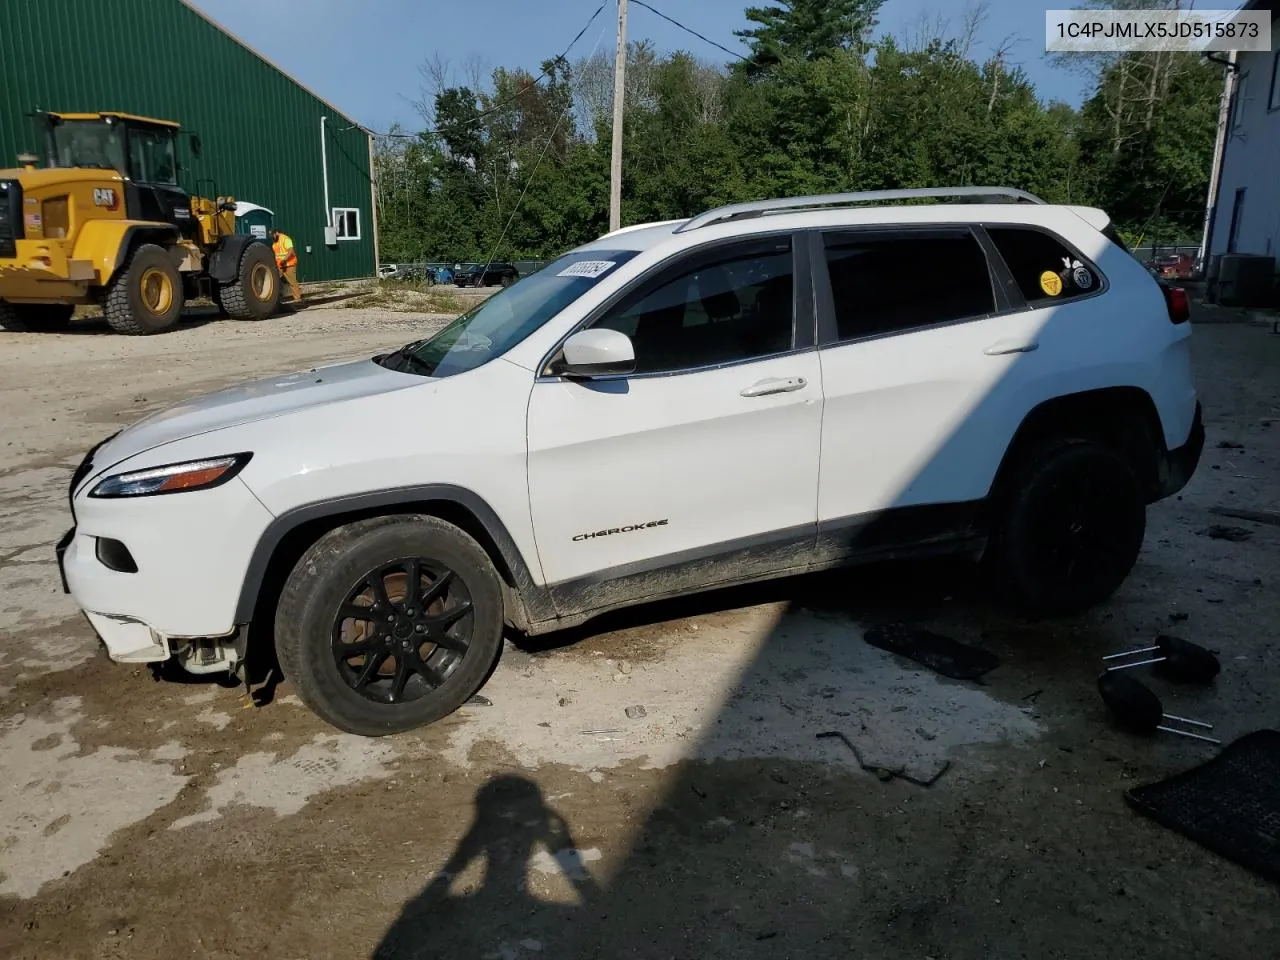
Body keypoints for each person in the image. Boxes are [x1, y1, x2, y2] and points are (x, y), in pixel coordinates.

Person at [271, 229, 302, 303]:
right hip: (280, 265)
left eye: (272, 234)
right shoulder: (275, 242)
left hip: (289, 264)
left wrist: (284, 260)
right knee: (276, 281)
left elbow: (291, 251)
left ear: (277, 233)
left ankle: (297, 299)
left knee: (292, 282)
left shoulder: (286, 239)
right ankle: (279, 298)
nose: (272, 236)